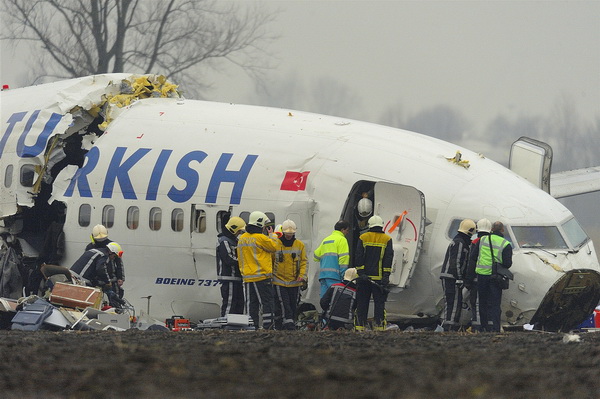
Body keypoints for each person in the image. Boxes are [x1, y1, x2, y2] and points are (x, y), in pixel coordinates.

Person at [237, 211, 279, 329]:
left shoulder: (242, 238)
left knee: (251, 304)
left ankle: (252, 326)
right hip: (262, 276)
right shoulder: (260, 238)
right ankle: (268, 326)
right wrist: (273, 235)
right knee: (267, 303)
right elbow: (274, 247)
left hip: (248, 277)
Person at [354, 215, 393, 331]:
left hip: (364, 279)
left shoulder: (363, 237)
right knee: (379, 305)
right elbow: (388, 259)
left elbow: (359, 256)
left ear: (369, 225)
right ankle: (379, 328)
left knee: (362, 304)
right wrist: (386, 276)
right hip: (379, 280)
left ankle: (359, 328)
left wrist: (361, 273)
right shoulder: (387, 239)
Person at [474, 221, 513, 332]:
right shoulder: (505, 244)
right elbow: (507, 263)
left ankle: (483, 327)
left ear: (491, 229)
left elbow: (473, 256)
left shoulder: (482, 240)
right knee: (495, 304)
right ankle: (495, 328)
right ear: (502, 230)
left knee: (482, 302)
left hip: (481, 275)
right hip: (496, 277)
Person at [439, 219, 475, 331]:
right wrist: (459, 277)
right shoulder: (460, 243)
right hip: (452, 277)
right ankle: (449, 326)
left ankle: (451, 324)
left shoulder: (458, 241)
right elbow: (456, 261)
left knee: (455, 301)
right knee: (453, 302)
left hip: (450, 277)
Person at [272, 219, 307, 330]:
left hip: (295, 282)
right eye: (287, 234)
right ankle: (288, 325)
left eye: (291, 234)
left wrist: (302, 276)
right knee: (284, 305)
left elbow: (304, 262)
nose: (289, 236)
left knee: (293, 305)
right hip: (279, 281)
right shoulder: (275, 245)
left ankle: (290, 323)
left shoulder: (299, 245)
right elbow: (270, 261)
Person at [464, 218, 492, 331]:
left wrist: (468, 280)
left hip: (477, 279)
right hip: (491, 278)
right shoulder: (493, 242)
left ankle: (477, 327)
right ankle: (489, 327)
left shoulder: (476, 242)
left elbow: (472, 261)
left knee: (476, 303)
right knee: (489, 303)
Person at [85, 224, 126, 298]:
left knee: (114, 299)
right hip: (95, 280)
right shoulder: (90, 247)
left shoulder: (114, 246)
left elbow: (119, 263)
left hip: (112, 279)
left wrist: (120, 278)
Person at [216, 216, 246, 316]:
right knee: (230, 303)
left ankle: (236, 325)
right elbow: (229, 259)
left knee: (239, 303)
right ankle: (226, 324)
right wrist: (244, 262)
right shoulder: (224, 241)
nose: (239, 234)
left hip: (237, 278)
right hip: (229, 277)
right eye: (239, 232)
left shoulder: (233, 241)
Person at [313, 220, 350, 297]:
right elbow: (344, 259)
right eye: (347, 230)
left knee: (324, 301)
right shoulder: (342, 240)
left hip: (323, 276)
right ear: (342, 230)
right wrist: (344, 276)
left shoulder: (326, 240)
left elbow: (316, 256)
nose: (347, 232)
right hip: (335, 276)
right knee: (334, 301)